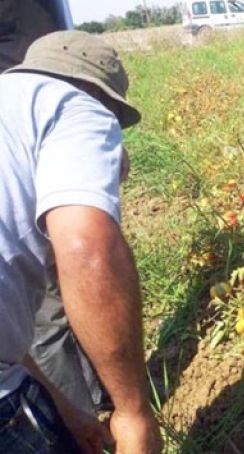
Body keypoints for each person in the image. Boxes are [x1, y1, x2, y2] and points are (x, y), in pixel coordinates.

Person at [0, 31, 162, 453]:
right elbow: (88, 250)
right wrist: (132, 412)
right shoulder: (72, 105)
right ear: (94, 91)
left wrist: (61, 405)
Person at [0, 0, 108, 417]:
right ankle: (79, 418)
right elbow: (88, 248)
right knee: (47, 309)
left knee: (65, 296)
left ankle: (92, 402)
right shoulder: (55, 105)